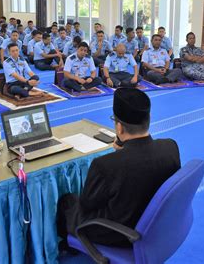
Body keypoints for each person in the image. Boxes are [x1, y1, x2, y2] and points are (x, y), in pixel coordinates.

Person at [56, 87, 181, 250]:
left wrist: (120, 156)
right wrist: (124, 153)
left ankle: (69, 246)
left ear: (119, 127)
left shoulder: (105, 165)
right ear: (148, 119)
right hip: (154, 225)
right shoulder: (170, 147)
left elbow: (86, 205)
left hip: (119, 233)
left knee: (69, 201)